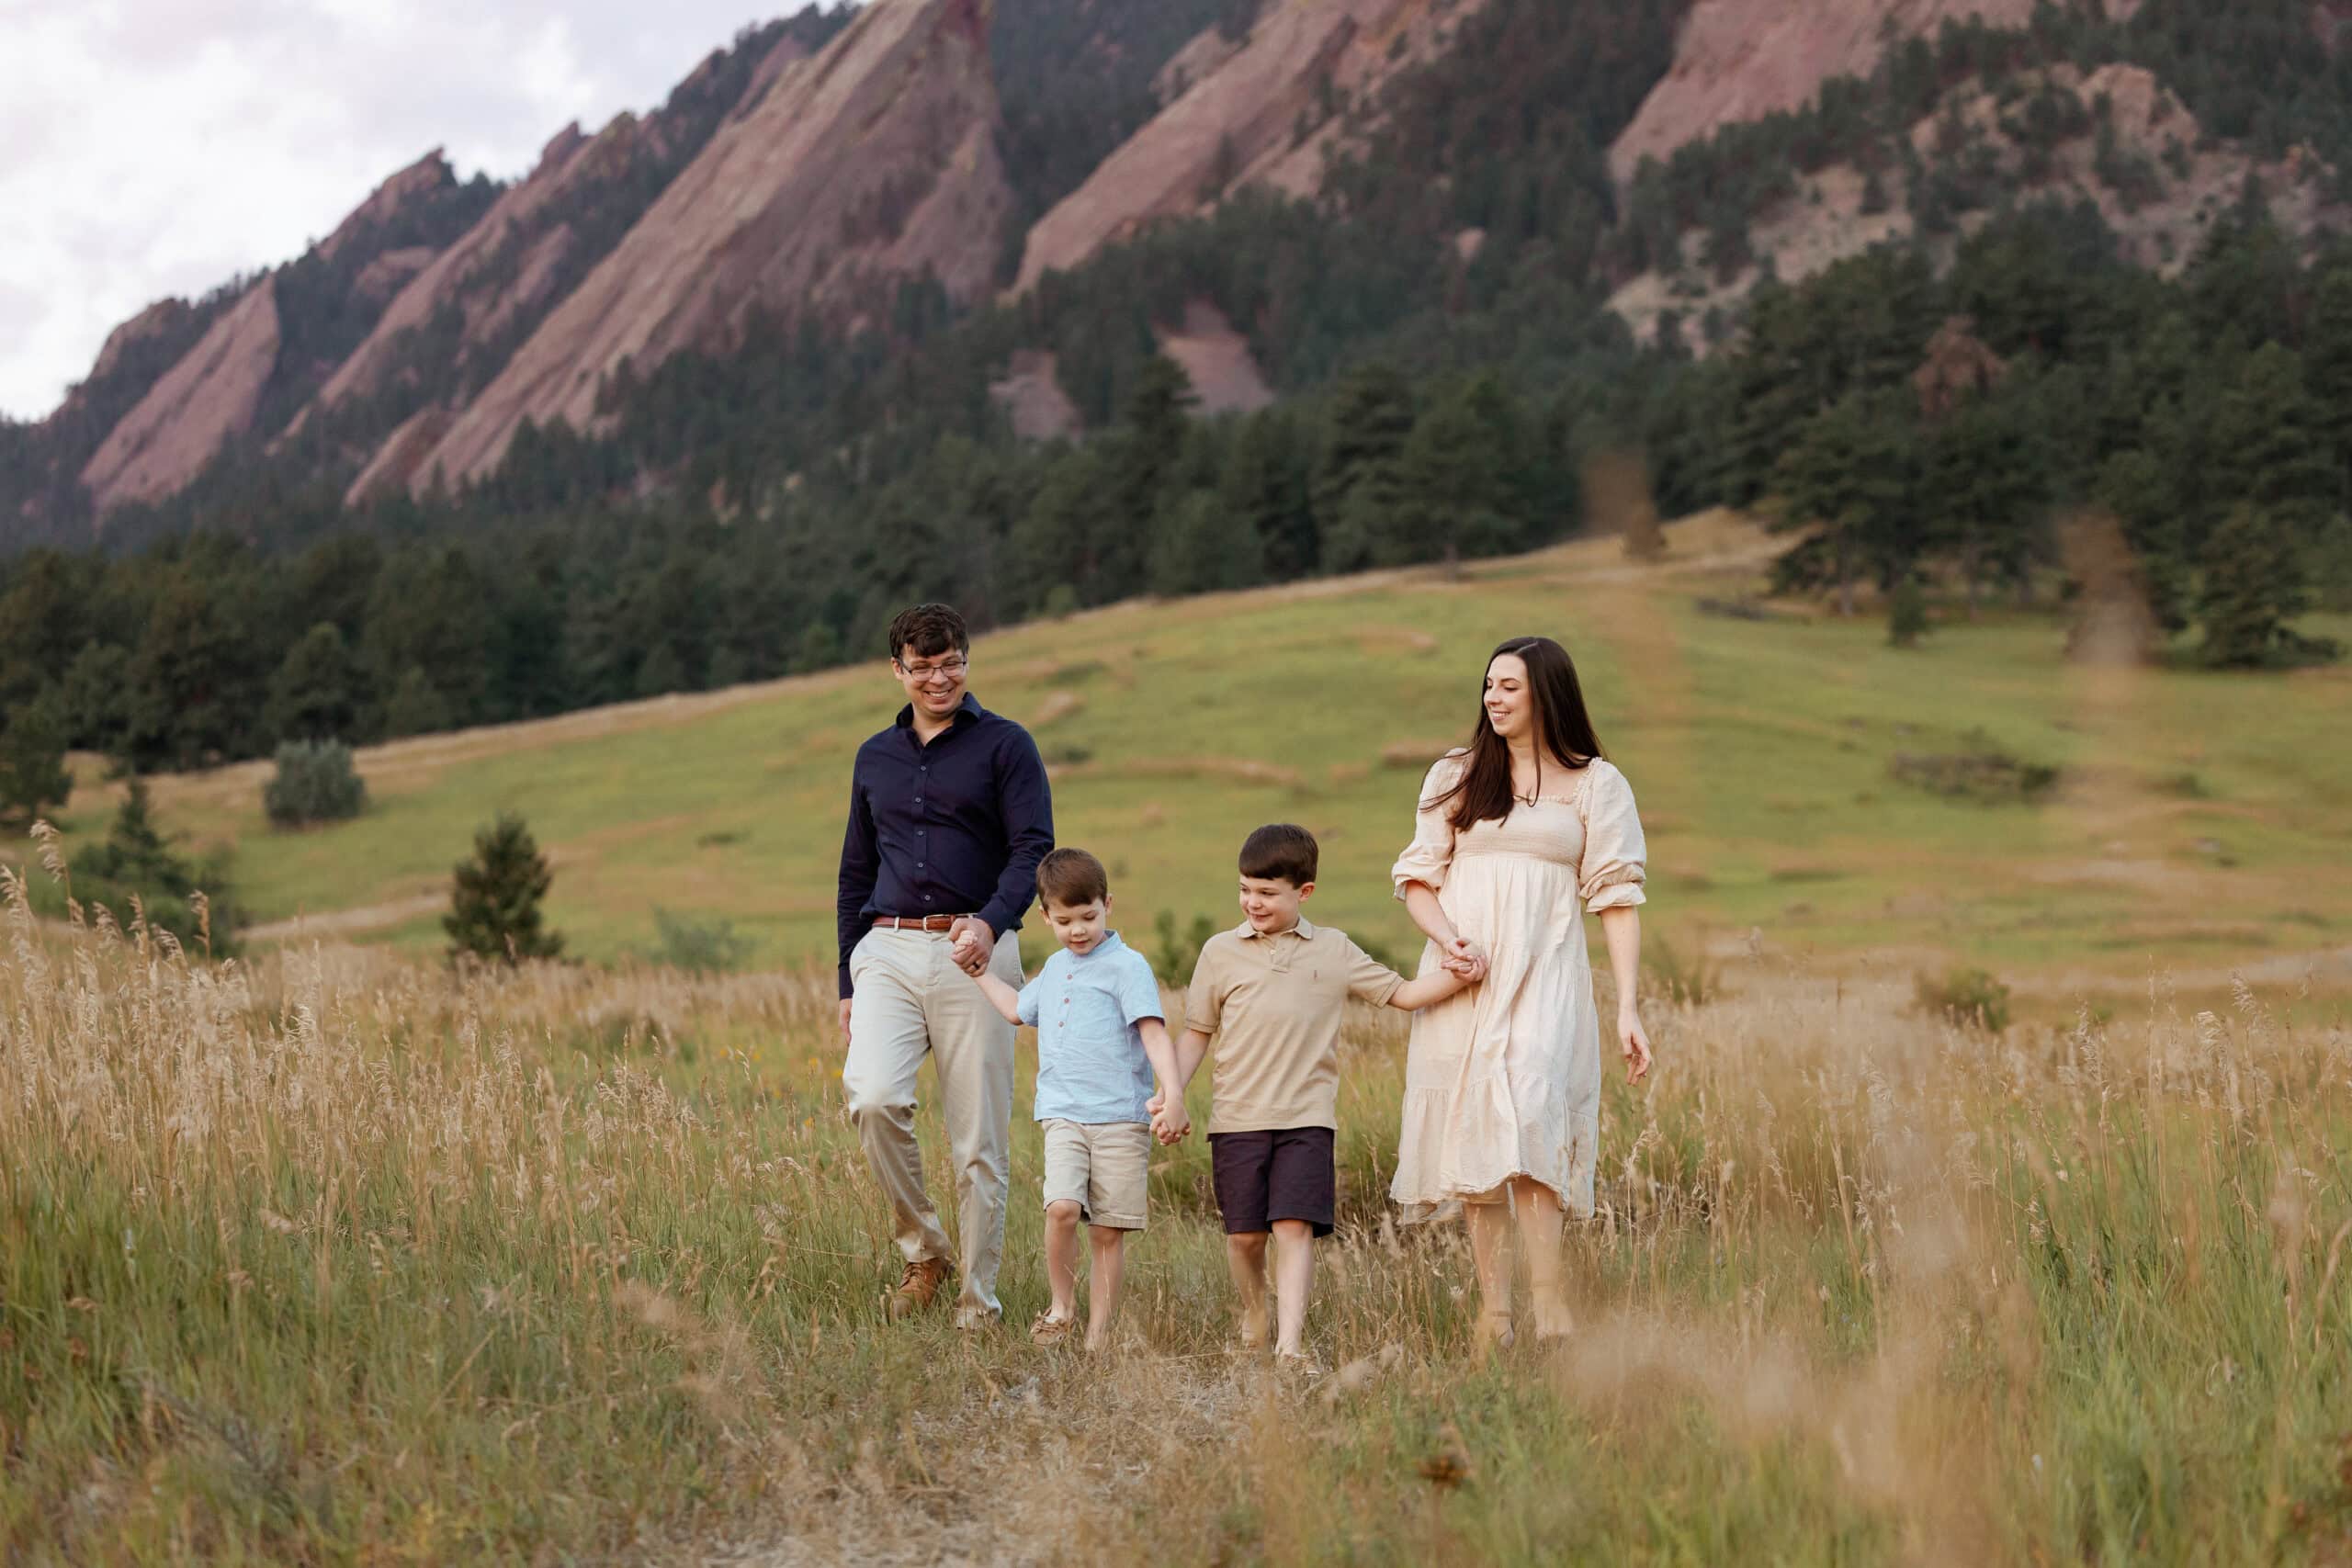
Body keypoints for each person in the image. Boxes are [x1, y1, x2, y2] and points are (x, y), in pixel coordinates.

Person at [1388, 635, 1650, 1349]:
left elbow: (1618, 896)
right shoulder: (1457, 773)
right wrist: (1447, 940)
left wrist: (1626, 1005)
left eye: (1509, 686)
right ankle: (1494, 1309)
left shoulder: (1597, 783)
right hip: (1466, 976)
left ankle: (1550, 1295)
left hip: (1548, 974)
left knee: (1533, 1119)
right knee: (1476, 1133)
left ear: (1546, 693)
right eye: (1488, 685)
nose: (1493, 698)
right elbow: (1417, 877)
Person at [1154, 824, 1470, 1369]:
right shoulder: (1219, 952)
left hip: (1307, 1119)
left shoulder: (1335, 950)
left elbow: (1404, 994)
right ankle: (1255, 1312)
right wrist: (1172, 1095)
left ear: (1304, 893)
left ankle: (1290, 1345)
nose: (1253, 902)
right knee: (1246, 1239)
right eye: (1245, 890)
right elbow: (1197, 1034)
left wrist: (1461, 974)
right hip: (1238, 1120)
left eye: (1267, 892)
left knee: (1294, 1227)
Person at [837, 603, 1053, 1329]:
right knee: (871, 1096)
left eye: (951, 660)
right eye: (922, 665)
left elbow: (1034, 850)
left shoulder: (1007, 745)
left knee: (979, 1142)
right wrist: (847, 981)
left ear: (967, 658)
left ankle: (976, 1304)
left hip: (978, 952)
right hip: (888, 947)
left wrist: (990, 925)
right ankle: (925, 1250)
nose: (939, 676)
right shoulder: (874, 756)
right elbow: (854, 871)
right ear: (896, 670)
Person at [966, 847, 1180, 1350]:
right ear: (1045, 917)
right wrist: (979, 973)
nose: (1078, 929)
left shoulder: (1128, 967)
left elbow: (1153, 1032)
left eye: (1089, 916)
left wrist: (1172, 1095)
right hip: (1063, 1114)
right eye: (1065, 920)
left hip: (1121, 1118)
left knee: (1107, 1231)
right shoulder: (1056, 968)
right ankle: (1061, 1308)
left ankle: (1097, 1335)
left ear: (1109, 904)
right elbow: (1018, 1010)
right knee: (1061, 1208)